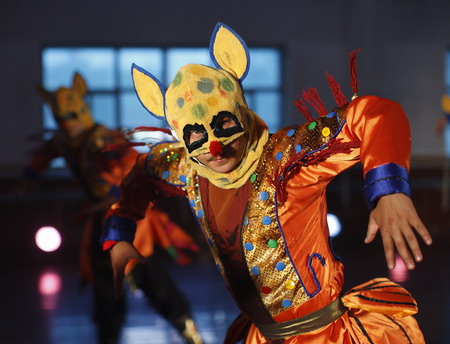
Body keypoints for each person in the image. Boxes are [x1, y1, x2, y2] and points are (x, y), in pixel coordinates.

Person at [101, 22, 432, 343]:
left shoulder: (286, 158)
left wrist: (389, 190)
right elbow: (142, 173)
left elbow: (375, 114)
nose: (214, 147)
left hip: (321, 337)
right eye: (196, 136)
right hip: (260, 336)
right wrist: (119, 231)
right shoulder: (188, 170)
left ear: (241, 115)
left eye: (224, 124)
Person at [27, 73, 203, 344]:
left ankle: (189, 331)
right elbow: (42, 158)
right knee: (108, 291)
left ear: (82, 110)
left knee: (154, 282)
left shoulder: (105, 138)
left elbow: (134, 161)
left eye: (72, 116)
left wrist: (117, 189)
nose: (68, 124)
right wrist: (30, 176)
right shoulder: (62, 141)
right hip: (102, 222)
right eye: (62, 119)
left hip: (132, 220)